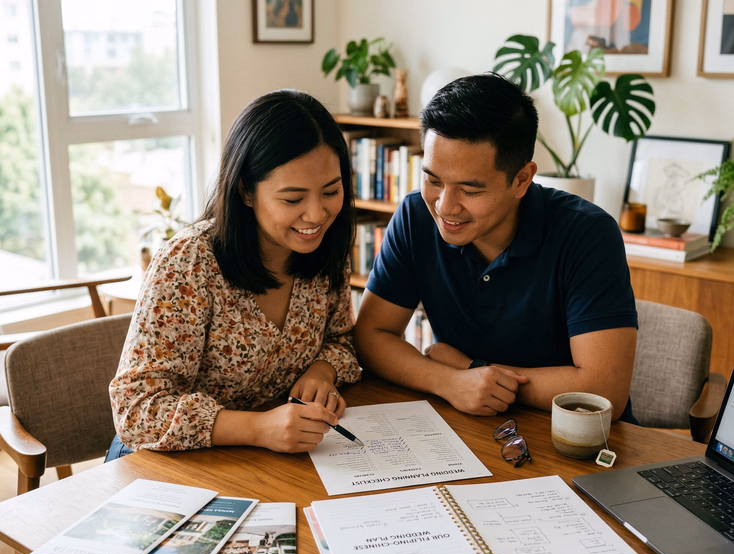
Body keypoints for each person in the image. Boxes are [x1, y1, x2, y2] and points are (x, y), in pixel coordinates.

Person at [354, 73, 638, 422]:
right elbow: (370, 337)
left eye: (470, 191)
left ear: (521, 179)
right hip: (468, 425)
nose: (444, 206)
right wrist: (449, 380)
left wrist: (472, 369)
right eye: (433, 180)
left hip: (578, 439)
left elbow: (603, 390)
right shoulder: (416, 215)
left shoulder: (588, 234)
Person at [107, 90, 361, 460]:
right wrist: (259, 429)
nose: (317, 214)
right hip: (167, 460)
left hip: (265, 457)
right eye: (293, 199)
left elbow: (343, 341)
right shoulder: (190, 262)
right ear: (245, 191)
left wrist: (322, 372)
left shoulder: (325, 249)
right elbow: (136, 412)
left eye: (331, 191)